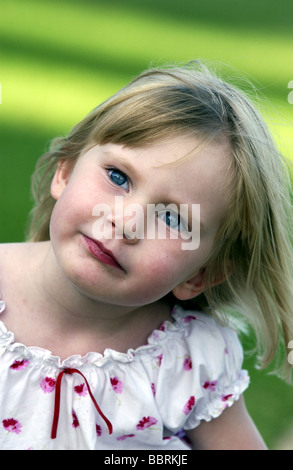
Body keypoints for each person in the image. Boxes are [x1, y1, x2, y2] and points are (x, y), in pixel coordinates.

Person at [0, 61, 292, 450]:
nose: (126, 223)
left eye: (171, 218)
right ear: (65, 171)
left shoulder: (187, 361)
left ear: (201, 274)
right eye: (118, 177)